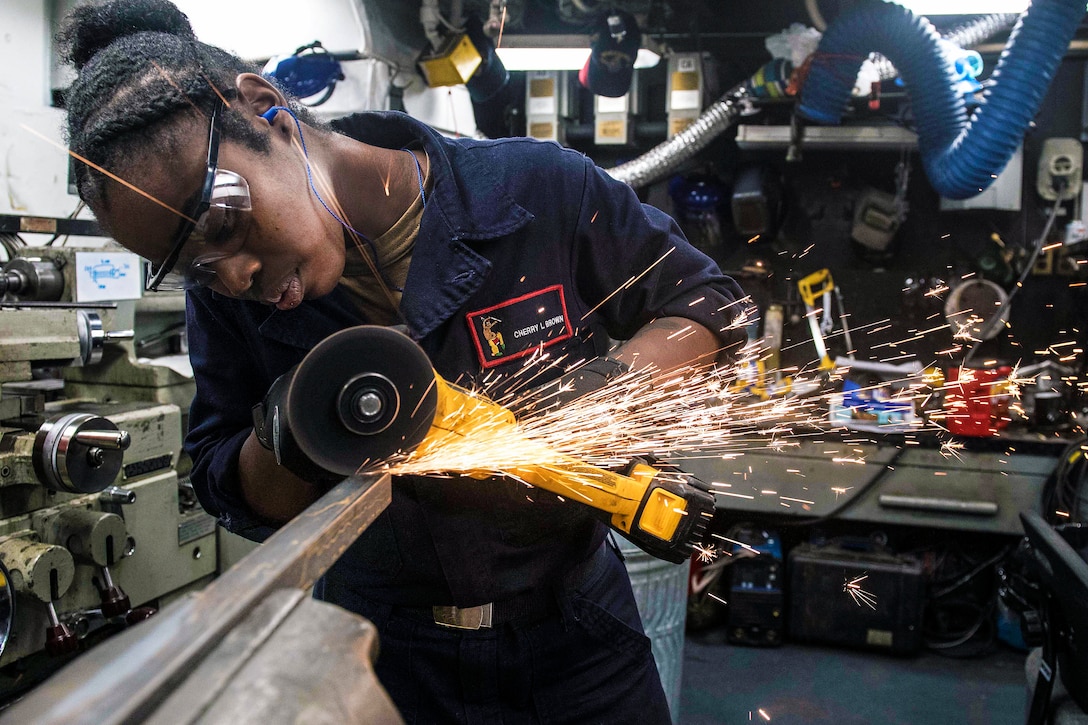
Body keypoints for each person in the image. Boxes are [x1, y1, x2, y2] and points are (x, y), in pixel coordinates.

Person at [59, 1, 747, 721]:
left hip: (578, 639)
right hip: (384, 656)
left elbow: (710, 303)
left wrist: (608, 393)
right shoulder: (233, 303)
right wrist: (291, 431)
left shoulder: (535, 188)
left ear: (266, 110)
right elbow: (224, 480)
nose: (231, 277)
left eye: (223, 221)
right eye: (194, 268)